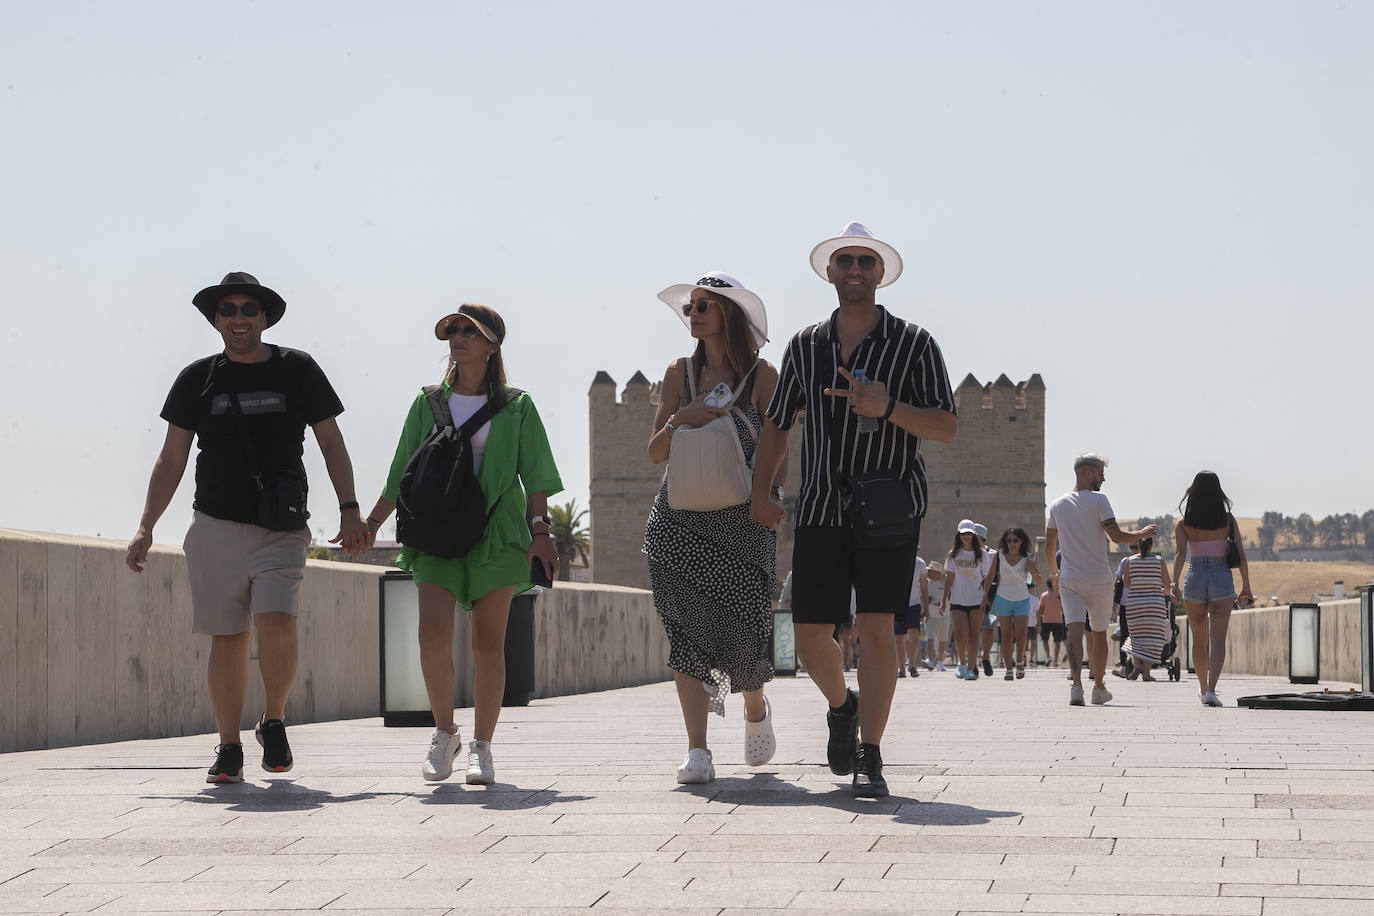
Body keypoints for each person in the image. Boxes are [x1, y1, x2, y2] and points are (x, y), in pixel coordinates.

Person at [125, 271, 368, 783]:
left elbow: (331, 442)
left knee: (277, 621)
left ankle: (273, 720)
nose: (238, 318)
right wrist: (146, 525)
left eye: (248, 309)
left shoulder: (297, 370)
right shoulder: (197, 379)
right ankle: (229, 745)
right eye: (228, 310)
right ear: (216, 320)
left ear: (264, 318)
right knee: (228, 638)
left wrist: (350, 509)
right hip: (214, 524)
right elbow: (171, 458)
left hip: (279, 526)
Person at [750, 221, 957, 798]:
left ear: (881, 273)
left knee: (877, 628)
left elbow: (945, 426)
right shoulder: (806, 347)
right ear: (831, 272)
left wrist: (887, 405)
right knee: (812, 631)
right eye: (846, 262)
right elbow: (776, 426)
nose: (856, 271)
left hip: (890, 510)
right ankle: (843, 708)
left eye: (866, 262)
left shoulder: (914, 343)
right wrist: (761, 494)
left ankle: (870, 753)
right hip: (818, 507)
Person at [362, 304, 562, 784]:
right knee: (431, 634)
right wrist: (370, 524)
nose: (458, 336)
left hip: (497, 532)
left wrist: (541, 534)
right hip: (435, 534)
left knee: (488, 642)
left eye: (470, 331)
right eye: (453, 330)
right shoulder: (428, 401)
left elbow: (534, 474)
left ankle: (483, 746)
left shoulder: (517, 405)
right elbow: (400, 470)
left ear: (492, 345)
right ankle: (445, 732)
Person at [644, 271, 781, 784]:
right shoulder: (678, 373)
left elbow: (778, 449)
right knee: (685, 631)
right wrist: (685, 418)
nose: (694, 313)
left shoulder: (764, 376)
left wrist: (769, 498)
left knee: (745, 635)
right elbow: (656, 451)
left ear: (729, 314)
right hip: (677, 522)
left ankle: (754, 706)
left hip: (742, 521)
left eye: (705, 305)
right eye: (692, 306)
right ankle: (697, 749)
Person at [1043, 454, 1157, 707]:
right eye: (1100, 473)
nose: (1103, 478)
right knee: (1097, 634)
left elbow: (1050, 544)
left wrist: (1054, 573)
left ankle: (1076, 686)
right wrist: (1141, 533)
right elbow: (1116, 535)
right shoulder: (1099, 500)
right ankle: (1098, 687)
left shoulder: (1057, 504)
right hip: (1097, 579)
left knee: (1073, 630)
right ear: (1087, 473)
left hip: (1069, 578)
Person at [1170, 471, 1252, 707]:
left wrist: (1174, 584)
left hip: (1195, 577)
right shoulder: (1228, 520)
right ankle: (1212, 690)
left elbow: (1180, 554)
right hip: (1220, 577)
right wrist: (1246, 585)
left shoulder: (1183, 522)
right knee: (1218, 640)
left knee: (1199, 640)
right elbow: (1241, 554)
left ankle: (1203, 687)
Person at [984, 527, 1041, 680]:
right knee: (1006, 636)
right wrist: (984, 597)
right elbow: (989, 577)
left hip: (1022, 599)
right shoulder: (999, 556)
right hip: (1003, 598)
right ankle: (1009, 668)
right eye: (1009, 540)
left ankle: (1020, 662)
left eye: (1015, 540)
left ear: (1021, 541)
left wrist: (1034, 572)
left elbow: (1037, 581)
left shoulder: (1026, 559)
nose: (1012, 543)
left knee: (1022, 634)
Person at [940, 520, 991, 681]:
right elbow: (949, 578)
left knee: (974, 635)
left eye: (969, 533)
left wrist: (985, 596)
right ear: (959, 535)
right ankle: (962, 663)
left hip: (976, 599)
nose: (966, 536)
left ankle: (971, 669)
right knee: (960, 634)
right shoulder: (953, 554)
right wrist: (943, 600)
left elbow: (987, 577)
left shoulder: (982, 554)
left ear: (973, 535)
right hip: (957, 599)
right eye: (963, 534)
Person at [1120, 537, 1172, 681]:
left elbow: (1127, 585)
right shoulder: (1159, 560)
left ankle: (1137, 666)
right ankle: (1147, 673)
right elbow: (1167, 585)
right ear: (1152, 545)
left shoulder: (1129, 561)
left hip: (1134, 604)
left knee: (1136, 636)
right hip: (1155, 604)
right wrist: (1160, 589)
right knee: (1152, 637)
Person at [895, 555, 928, 678]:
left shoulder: (920, 563)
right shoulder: (894, 561)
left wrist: (926, 608)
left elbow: (924, 586)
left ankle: (912, 665)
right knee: (899, 637)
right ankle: (901, 668)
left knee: (914, 633)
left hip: (914, 604)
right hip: (897, 604)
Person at [923, 560, 950, 670]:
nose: (929, 573)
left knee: (942, 639)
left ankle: (940, 662)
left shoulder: (944, 583)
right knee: (930, 638)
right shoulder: (925, 583)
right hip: (930, 614)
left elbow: (952, 579)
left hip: (944, 614)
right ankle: (930, 659)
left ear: (937, 573)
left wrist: (946, 577)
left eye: (932, 571)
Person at [1038, 577, 1065, 667]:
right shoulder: (1059, 595)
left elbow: (1040, 609)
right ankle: (1056, 660)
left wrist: (1038, 622)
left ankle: (1048, 656)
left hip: (1046, 621)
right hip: (1058, 621)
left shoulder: (1044, 595)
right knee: (1057, 641)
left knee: (1045, 640)